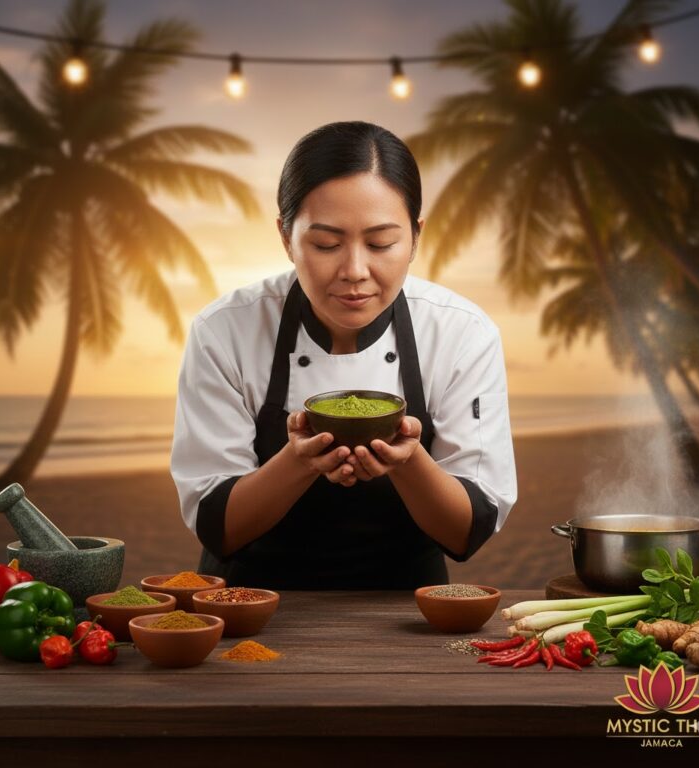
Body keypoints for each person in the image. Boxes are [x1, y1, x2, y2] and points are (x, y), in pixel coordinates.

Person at [170, 120, 517, 589]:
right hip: (246, 607)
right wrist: (298, 462)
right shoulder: (225, 330)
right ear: (285, 237)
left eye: (381, 243)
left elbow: (467, 531)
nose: (355, 271)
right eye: (326, 244)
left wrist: (407, 461)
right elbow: (217, 524)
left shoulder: (461, 333)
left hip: (409, 610)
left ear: (416, 237)